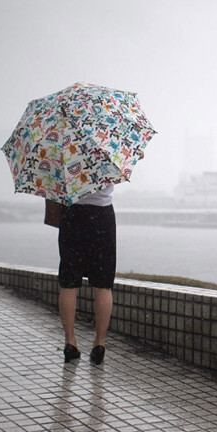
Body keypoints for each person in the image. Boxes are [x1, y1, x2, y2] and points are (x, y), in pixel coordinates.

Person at [58, 150, 144, 365]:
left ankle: (70, 341)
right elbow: (133, 158)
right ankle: (100, 343)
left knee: (69, 282)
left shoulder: (63, 146)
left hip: (72, 215)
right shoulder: (110, 144)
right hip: (102, 216)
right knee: (103, 284)